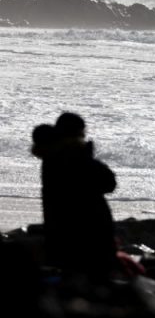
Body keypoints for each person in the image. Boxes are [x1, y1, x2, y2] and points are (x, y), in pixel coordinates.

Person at [32, 113, 118, 280]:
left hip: (61, 236)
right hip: (87, 237)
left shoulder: (50, 157)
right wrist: (87, 156)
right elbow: (108, 183)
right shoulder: (74, 157)